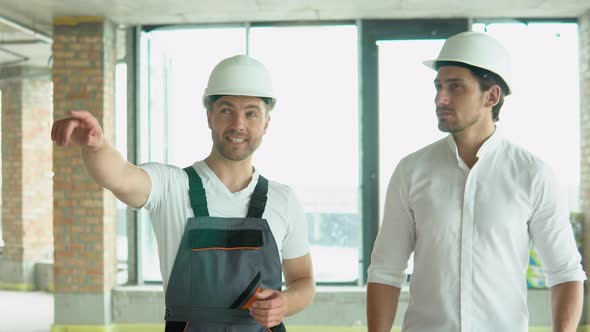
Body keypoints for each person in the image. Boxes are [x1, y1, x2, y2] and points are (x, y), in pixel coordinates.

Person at [51, 54, 315, 332]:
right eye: (226, 110)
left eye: (251, 113)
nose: (238, 124)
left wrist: (285, 302)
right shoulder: (171, 186)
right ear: (209, 117)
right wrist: (96, 147)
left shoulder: (283, 200)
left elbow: (304, 281)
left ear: (266, 124)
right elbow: (119, 176)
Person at [366, 31, 586, 332]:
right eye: (439, 86)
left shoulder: (533, 174)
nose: (440, 98)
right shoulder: (411, 171)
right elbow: (385, 271)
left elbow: (565, 272)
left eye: (456, 87)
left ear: (491, 96)